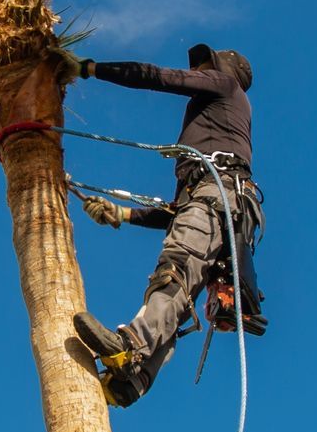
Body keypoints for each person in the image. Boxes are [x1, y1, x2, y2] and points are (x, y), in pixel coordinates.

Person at [62, 43, 265, 406]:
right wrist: (120, 213)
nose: (200, 72)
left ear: (222, 71)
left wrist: (88, 68)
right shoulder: (219, 132)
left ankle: (131, 347)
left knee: (175, 270)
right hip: (219, 205)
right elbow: (178, 212)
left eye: (206, 66)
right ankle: (134, 379)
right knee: (180, 292)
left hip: (216, 199)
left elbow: (160, 77)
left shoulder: (226, 87)